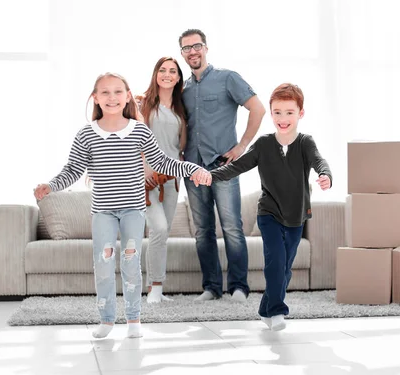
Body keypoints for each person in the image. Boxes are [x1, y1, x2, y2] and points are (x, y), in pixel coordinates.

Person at [33, 73, 211, 339]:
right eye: (105, 93)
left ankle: (133, 320)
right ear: (95, 98)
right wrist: (50, 185)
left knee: (130, 263)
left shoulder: (139, 131)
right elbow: (72, 170)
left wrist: (191, 168)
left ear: (128, 96)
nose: (112, 98)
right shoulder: (86, 135)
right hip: (103, 212)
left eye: (118, 92)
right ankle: (106, 320)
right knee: (103, 264)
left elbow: (163, 162)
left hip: (133, 210)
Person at [210, 83, 332, 331]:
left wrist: (325, 174)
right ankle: (277, 311)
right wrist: (210, 176)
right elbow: (237, 166)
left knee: (285, 269)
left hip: (296, 216)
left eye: (289, 112)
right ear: (271, 112)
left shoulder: (305, 143)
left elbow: (319, 160)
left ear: (301, 113)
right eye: (277, 112)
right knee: (275, 262)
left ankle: (266, 309)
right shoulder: (264, 144)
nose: (283, 118)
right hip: (269, 214)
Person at [179, 28, 266, 302]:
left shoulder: (228, 78)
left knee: (231, 226)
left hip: (222, 165)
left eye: (196, 46)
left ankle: (239, 287)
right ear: (182, 53)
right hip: (192, 167)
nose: (192, 52)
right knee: (203, 230)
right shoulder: (183, 89)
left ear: (206, 48)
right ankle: (211, 288)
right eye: (186, 48)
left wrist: (242, 146)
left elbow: (258, 108)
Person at [136, 57, 188, 304]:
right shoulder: (141, 104)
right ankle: (154, 291)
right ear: (156, 74)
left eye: (173, 71)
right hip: (145, 181)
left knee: (162, 232)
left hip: (171, 181)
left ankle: (155, 288)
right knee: (157, 228)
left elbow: (180, 147)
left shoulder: (181, 111)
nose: (167, 74)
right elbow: (133, 139)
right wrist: (144, 166)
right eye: (162, 70)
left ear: (178, 78)